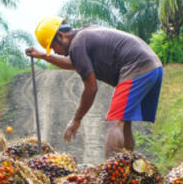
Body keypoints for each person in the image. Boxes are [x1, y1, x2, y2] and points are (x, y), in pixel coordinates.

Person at [25, 16, 162, 158]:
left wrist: (77, 119)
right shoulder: (84, 34)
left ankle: (110, 174)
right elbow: (75, 63)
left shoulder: (77, 45)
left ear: (60, 35)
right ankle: (130, 169)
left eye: (53, 46)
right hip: (153, 66)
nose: (55, 51)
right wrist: (44, 56)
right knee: (124, 121)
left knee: (115, 123)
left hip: (137, 67)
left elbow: (91, 88)